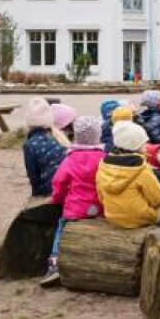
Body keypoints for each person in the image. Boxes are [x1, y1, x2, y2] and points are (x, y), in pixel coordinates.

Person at [44, 116, 104, 287]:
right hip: (100, 206)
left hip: (75, 209)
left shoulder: (70, 159)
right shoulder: (103, 158)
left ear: (76, 135)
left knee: (61, 228)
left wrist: (56, 199)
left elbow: (59, 182)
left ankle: (54, 263)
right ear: (98, 136)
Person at [97, 121, 160, 229]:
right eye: (143, 142)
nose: (146, 144)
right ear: (135, 145)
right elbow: (158, 199)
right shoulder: (141, 169)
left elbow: (101, 196)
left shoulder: (103, 165)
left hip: (112, 216)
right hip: (139, 217)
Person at [23, 97, 69, 197]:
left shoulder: (30, 144)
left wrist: (36, 193)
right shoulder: (60, 137)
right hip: (68, 186)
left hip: (50, 189)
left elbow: (33, 174)